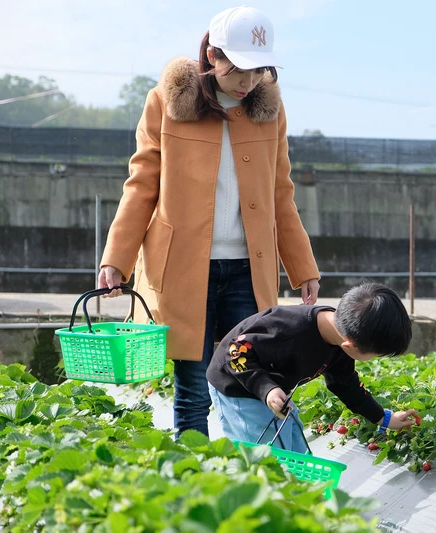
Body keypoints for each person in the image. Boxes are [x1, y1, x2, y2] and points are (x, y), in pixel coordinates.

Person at [98, 6, 320, 438]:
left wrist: (302, 267)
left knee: (248, 376)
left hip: (245, 267)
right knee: (194, 389)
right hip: (184, 269)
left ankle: (255, 475)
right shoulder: (165, 101)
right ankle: (190, 479)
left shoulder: (269, 111)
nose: (249, 81)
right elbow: (141, 184)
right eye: (239, 68)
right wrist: (116, 259)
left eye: (259, 70)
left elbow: (280, 192)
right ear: (212, 54)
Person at [206, 282, 419, 451]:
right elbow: (234, 351)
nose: (374, 359)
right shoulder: (288, 328)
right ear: (350, 345)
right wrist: (266, 388)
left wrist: (382, 417)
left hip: (274, 391)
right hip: (238, 389)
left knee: (296, 452)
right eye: (375, 355)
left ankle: (292, 498)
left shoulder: (339, 341)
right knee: (268, 458)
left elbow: (346, 385)